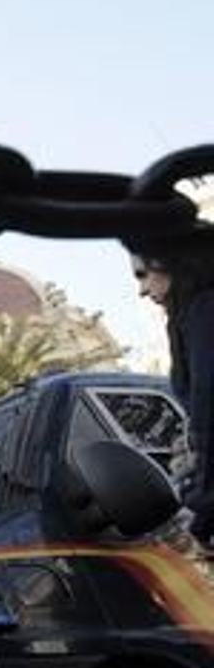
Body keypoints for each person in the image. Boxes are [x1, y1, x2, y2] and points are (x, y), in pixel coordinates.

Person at [128, 231, 214, 543]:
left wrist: (203, 508)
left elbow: (209, 409)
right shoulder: (193, 313)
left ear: (171, 262)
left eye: (143, 274)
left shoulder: (203, 310)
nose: (142, 290)